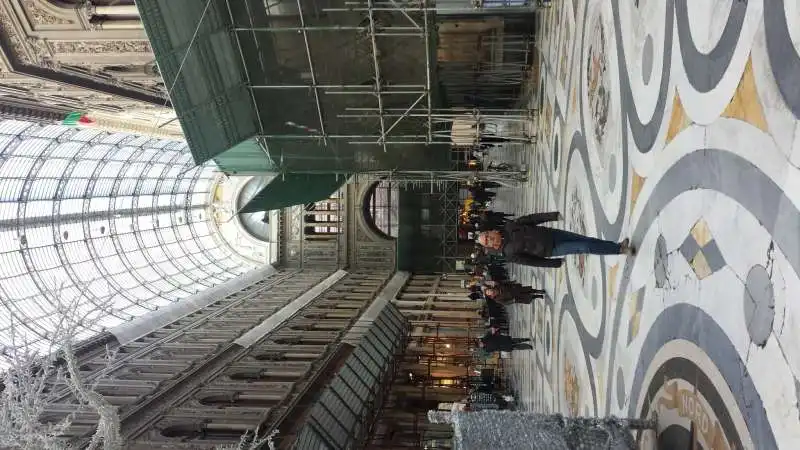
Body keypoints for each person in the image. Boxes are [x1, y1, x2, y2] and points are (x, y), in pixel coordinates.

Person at [476, 211, 634, 268]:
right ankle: (620, 250)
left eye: (488, 236)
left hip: (551, 233)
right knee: (584, 247)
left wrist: (552, 216)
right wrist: (554, 263)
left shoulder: (510, 226)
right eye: (487, 242)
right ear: (490, 246)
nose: (490, 240)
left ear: (492, 231)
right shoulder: (508, 253)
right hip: (551, 249)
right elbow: (531, 262)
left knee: (587, 240)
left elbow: (531, 219)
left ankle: (617, 246)